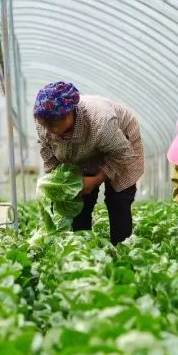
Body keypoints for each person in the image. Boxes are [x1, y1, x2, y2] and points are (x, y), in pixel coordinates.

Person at [34, 81, 145, 244]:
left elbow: (123, 153)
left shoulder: (101, 122)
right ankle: (81, 248)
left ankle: (122, 248)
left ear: (69, 113)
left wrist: (96, 179)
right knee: (78, 200)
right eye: (45, 124)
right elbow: (48, 151)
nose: (49, 129)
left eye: (53, 123)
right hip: (82, 148)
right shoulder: (45, 124)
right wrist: (62, 183)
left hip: (121, 143)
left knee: (118, 200)